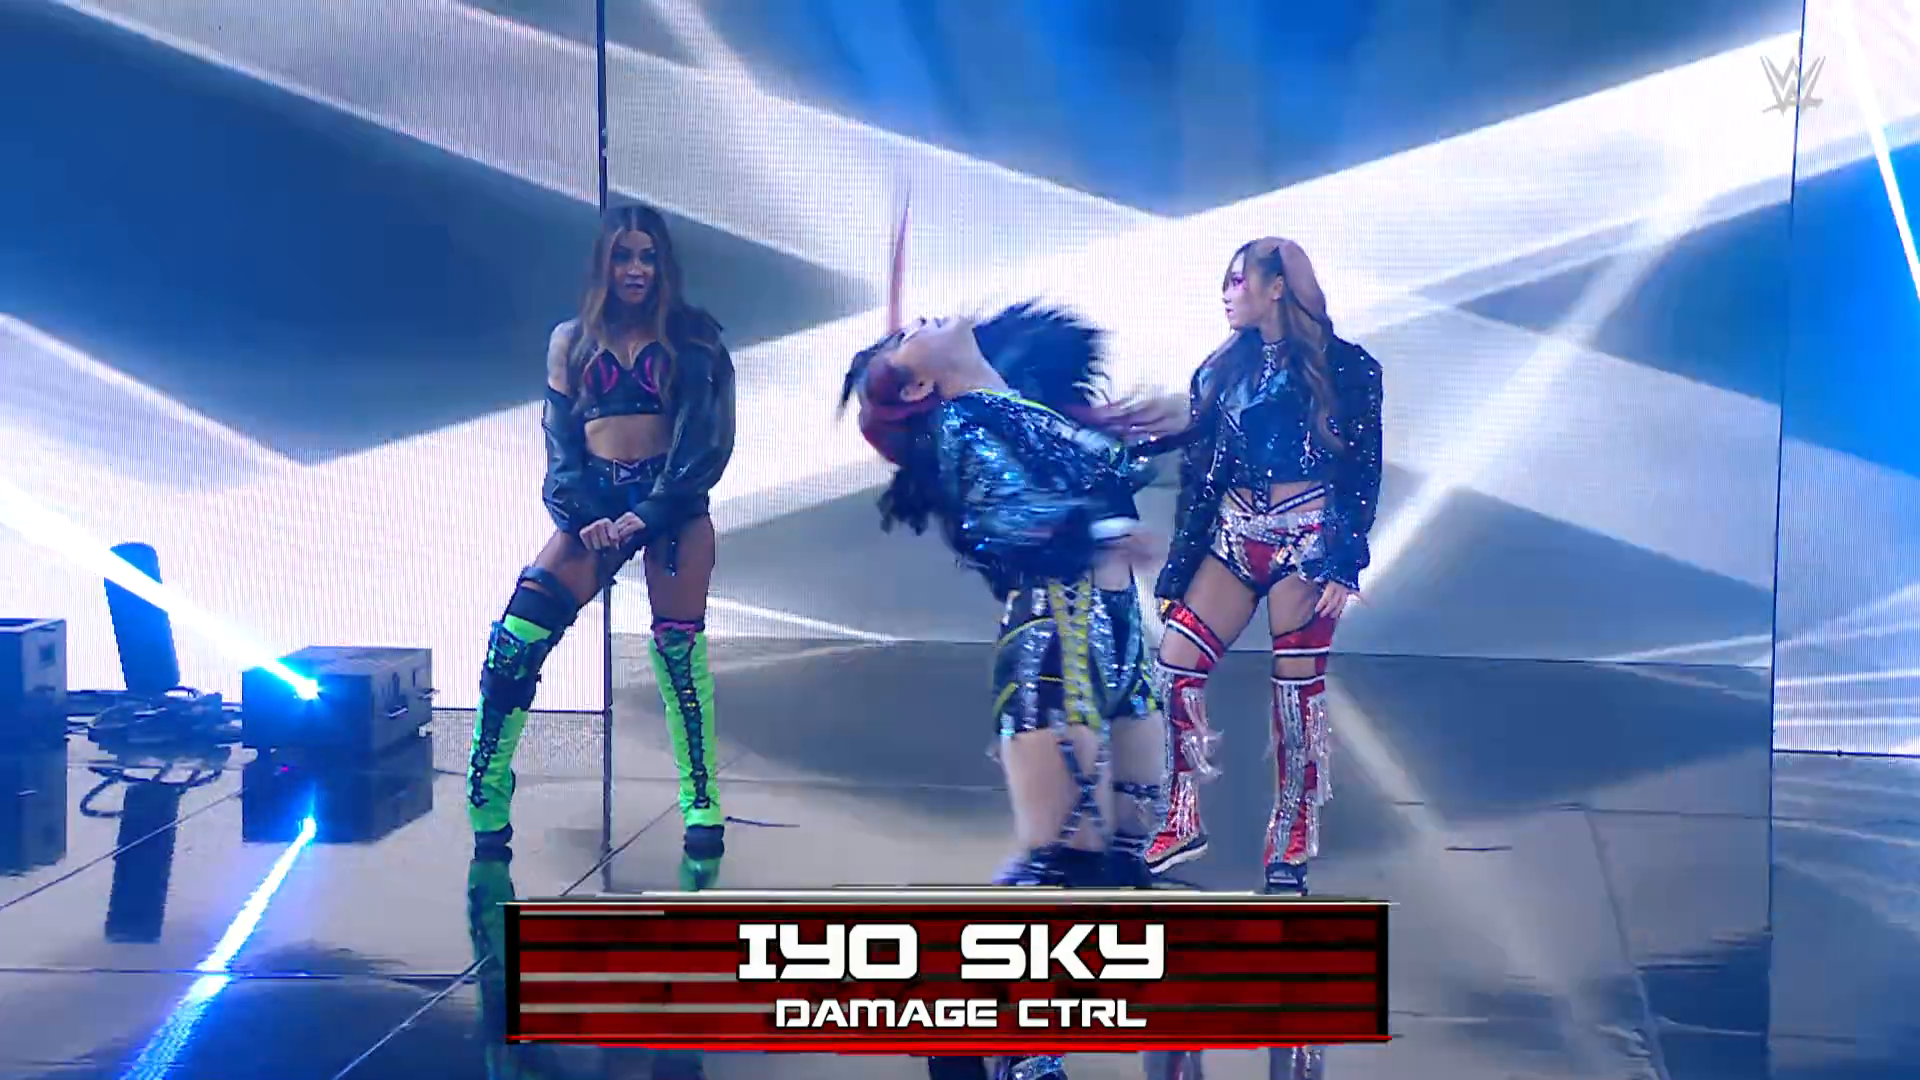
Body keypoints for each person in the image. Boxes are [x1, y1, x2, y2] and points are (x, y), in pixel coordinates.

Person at [1092, 237, 1383, 896]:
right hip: (1233, 536)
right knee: (1174, 664)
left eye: (1236, 281)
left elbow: (1363, 471)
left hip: (1307, 543)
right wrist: (1176, 567)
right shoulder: (1220, 371)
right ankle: (1180, 817)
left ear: (1276, 286)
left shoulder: (1349, 368)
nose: (1226, 294)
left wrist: (1344, 561)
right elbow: (1200, 469)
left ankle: (1291, 836)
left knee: (1296, 694)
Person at [467, 203, 735, 863]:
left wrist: (653, 510)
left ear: (663, 265)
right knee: (517, 636)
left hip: (672, 505)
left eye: (648, 257)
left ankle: (700, 794)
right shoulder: (570, 341)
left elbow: (708, 441)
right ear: (604, 265)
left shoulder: (696, 339)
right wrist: (582, 514)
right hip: (596, 506)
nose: (636, 269)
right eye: (623, 256)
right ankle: (488, 784)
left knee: (678, 652)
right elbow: (560, 448)